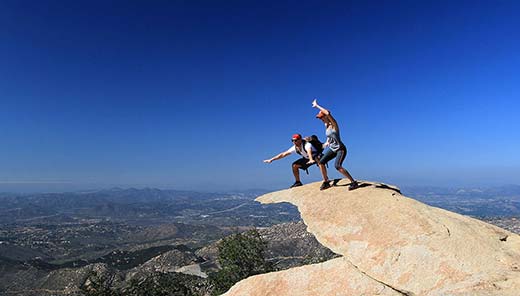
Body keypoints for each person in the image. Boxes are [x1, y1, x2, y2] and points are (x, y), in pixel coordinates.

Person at [312, 99, 359, 190]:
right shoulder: (326, 125)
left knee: (337, 166)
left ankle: (353, 182)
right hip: (332, 149)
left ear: (325, 116)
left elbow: (328, 114)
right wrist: (327, 142)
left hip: (340, 149)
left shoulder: (334, 125)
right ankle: (326, 182)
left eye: (321, 117)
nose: (320, 119)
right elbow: (330, 136)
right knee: (321, 162)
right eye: (319, 118)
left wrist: (317, 105)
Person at [264, 133, 331, 190]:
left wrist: (311, 159)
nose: (294, 142)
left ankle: (326, 181)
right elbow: (283, 154)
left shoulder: (307, 145)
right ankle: (298, 182)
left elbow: (309, 151)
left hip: (316, 156)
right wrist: (272, 159)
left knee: (320, 162)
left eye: (295, 140)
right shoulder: (295, 147)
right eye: (292, 140)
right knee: (294, 165)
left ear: (300, 140)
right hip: (307, 159)